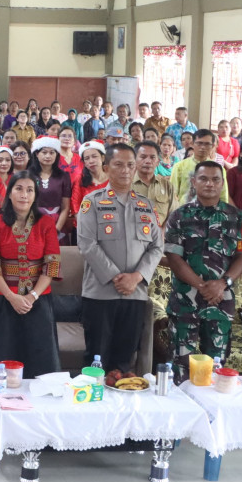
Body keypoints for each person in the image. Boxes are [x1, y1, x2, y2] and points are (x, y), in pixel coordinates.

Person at [77, 144, 164, 373]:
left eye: (130, 165)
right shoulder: (92, 202)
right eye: (118, 164)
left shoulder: (146, 205)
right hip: (100, 294)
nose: (125, 170)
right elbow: (87, 244)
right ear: (106, 168)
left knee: (125, 363)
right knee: (96, 361)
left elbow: (157, 246)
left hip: (135, 294)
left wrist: (136, 277)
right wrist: (117, 277)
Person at [163, 162, 242, 383]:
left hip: (221, 301)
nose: (209, 184)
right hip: (185, 301)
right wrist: (202, 286)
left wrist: (223, 283)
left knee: (216, 366)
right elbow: (174, 258)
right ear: (194, 182)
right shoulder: (178, 216)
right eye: (203, 178)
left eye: (215, 179)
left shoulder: (239, 217)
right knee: (181, 365)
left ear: (222, 184)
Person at [0, 171, 62, 380]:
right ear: (9, 193)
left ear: (35, 195)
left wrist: (32, 297)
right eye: (18, 189)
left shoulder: (46, 223)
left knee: (40, 361)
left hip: (38, 301)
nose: (24, 195)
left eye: (29, 190)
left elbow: (51, 266)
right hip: (2, 300)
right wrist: (12, 297)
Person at [29, 136, 72, 241]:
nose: (48, 156)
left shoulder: (63, 176)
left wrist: (56, 229)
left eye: (52, 153)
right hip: (34, 222)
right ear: (36, 154)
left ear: (56, 155)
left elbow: (65, 207)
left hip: (58, 224)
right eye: (44, 152)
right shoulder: (28, 175)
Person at [170, 130, 230, 205]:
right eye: (199, 143)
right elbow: (172, 194)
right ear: (192, 144)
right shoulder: (179, 167)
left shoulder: (218, 169)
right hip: (184, 209)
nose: (203, 147)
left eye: (207, 144)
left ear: (212, 146)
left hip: (210, 210)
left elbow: (223, 195)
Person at [132, 141, 175, 227]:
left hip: (161, 233)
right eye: (143, 157)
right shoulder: (125, 185)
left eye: (152, 157)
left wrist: (162, 231)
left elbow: (173, 214)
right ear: (134, 160)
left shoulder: (167, 185)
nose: (148, 161)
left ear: (158, 162)